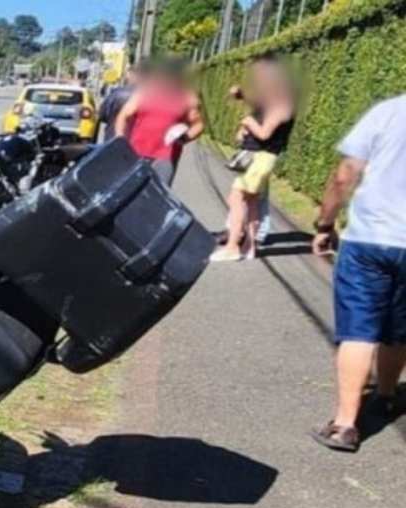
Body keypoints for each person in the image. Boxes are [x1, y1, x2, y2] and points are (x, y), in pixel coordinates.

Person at [310, 93, 406, 452]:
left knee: (358, 331)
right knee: (399, 328)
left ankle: (345, 425)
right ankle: (385, 395)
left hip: (369, 239)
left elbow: (345, 175)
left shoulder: (388, 112)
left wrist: (325, 223)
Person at [212, 57, 295, 261]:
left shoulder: (281, 104)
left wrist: (249, 122)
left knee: (236, 198)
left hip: (261, 159)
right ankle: (249, 247)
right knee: (251, 202)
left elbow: (265, 133)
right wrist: (241, 95)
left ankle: (232, 246)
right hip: (259, 158)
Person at [114, 58, 204, 186]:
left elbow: (199, 124)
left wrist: (185, 138)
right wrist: (120, 138)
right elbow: (124, 115)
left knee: (157, 192)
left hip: (166, 158)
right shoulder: (145, 92)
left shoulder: (188, 97)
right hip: (136, 151)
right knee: (130, 188)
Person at [97, 67, 138, 143]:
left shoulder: (116, 94)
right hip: (135, 143)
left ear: (129, 75)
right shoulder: (149, 97)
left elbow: (102, 115)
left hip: (112, 139)